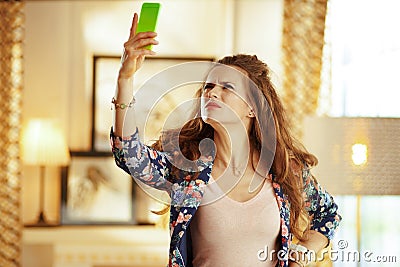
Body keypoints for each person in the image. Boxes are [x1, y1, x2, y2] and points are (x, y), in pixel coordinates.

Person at [110, 12, 341, 267]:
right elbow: (130, 156)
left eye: (227, 87)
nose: (213, 92)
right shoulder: (187, 168)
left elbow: (327, 214)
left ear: (252, 108)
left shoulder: (286, 170)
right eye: (209, 86)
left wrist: (304, 253)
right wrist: (125, 78)